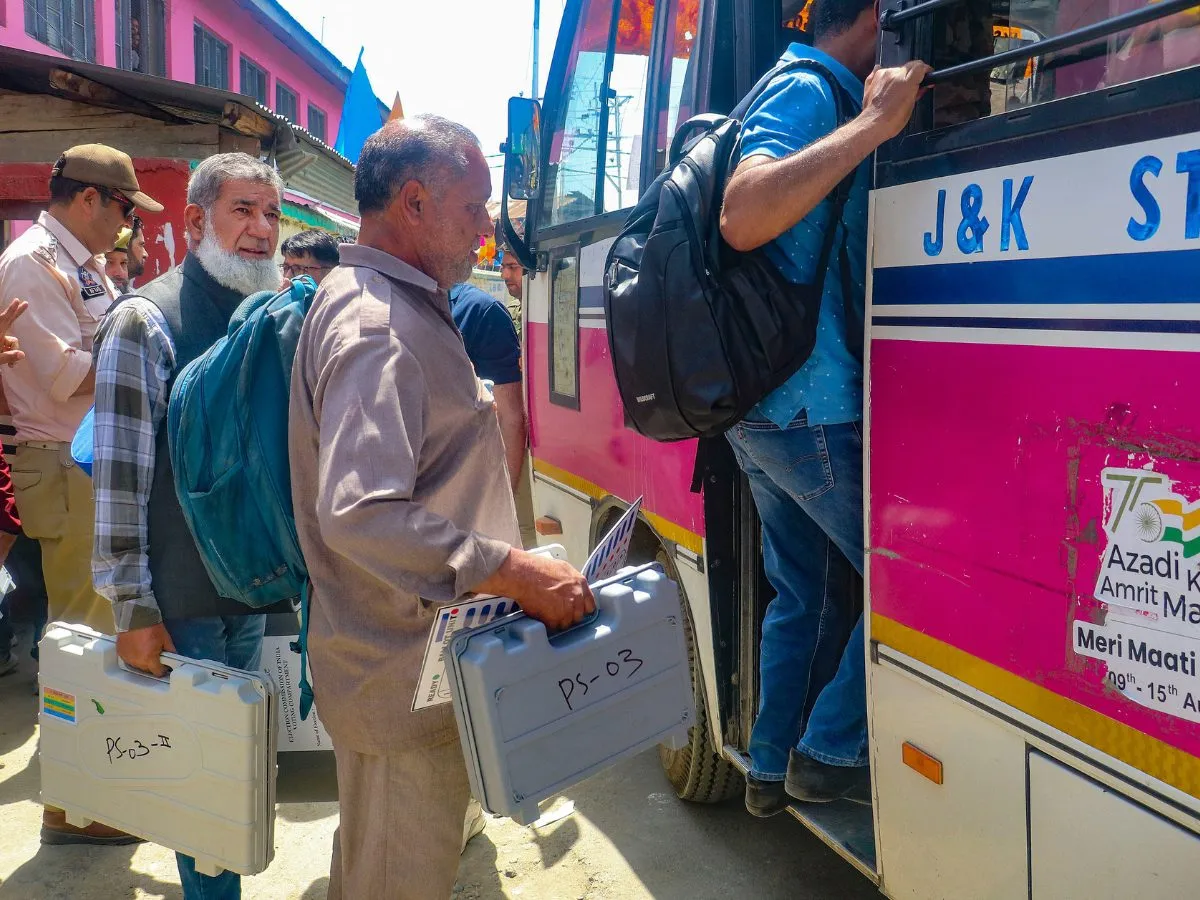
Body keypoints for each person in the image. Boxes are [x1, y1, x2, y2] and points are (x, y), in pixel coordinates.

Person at [290, 114, 595, 900]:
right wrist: (511, 570)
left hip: (403, 667)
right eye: (476, 208)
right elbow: (359, 512)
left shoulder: (394, 300)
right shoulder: (376, 325)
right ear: (415, 202)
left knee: (375, 867)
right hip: (395, 677)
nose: (489, 231)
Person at [719, 0, 928, 814]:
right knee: (910, 577)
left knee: (802, 596)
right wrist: (875, 123)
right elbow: (743, 212)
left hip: (774, 413)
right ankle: (829, 748)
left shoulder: (811, 90)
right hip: (809, 413)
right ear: (879, 16)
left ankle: (767, 769)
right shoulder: (810, 90)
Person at [92, 152, 289, 896]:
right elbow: (119, 479)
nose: (262, 230)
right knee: (204, 794)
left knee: (242, 777)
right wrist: (132, 608)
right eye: (243, 210)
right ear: (196, 221)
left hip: (257, 595)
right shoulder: (146, 321)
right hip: (183, 604)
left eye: (271, 214)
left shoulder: (268, 317)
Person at [0, 143, 161, 847]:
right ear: (90, 198)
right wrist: (145, 353)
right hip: (63, 462)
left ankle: (86, 786)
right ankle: (74, 807)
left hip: (87, 460)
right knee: (82, 635)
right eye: (125, 210)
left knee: (95, 627)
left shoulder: (79, 266)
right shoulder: (30, 263)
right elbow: (65, 375)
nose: (128, 228)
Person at [449, 281, 525, 495]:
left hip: (474, 475)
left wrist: (505, 497)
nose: (504, 274)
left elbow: (510, 415)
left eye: (512, 267)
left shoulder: (480, 311)